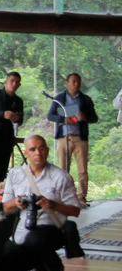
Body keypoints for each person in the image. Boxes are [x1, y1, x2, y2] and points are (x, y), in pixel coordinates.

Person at [0, 135, 81, 271]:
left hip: (52, 228)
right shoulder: (15, 174)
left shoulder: (60, 177)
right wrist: (16, 203)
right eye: (33, 149)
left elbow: (75, 211)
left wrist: (52, 205)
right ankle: (40, 264)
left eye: (42, 148)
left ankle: (54, 266)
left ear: (47, 151)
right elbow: (4, 208)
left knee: (35, 240)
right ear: (26, 153)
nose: (38, 153)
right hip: (23, 230)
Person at [46, 72, 98, 204]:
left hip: (80, 138)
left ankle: (82, 197)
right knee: (63, 169)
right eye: (74, 81)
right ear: (67, 83)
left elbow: (94, 118)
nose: (76, 84)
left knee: (82, 169)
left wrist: (85, 117)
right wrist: (64, 118)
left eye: (78, 81)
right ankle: (64, 197)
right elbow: (50, 116)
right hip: (63, 138)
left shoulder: (85, 99)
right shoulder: (59, 98)